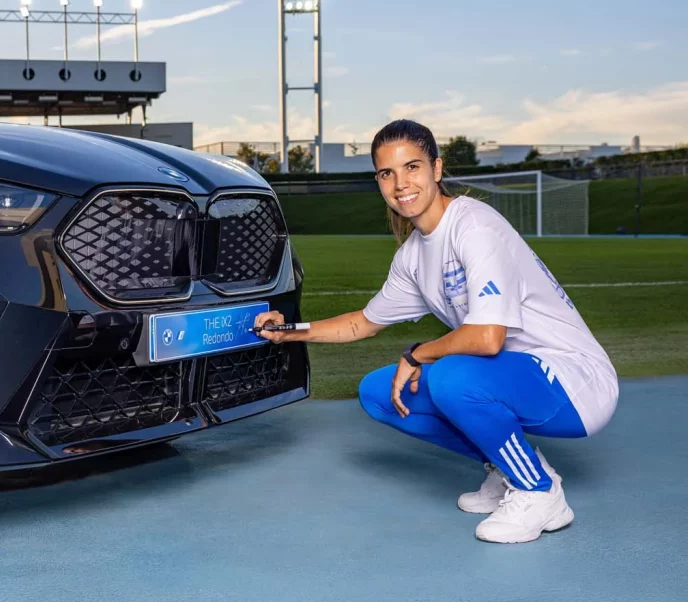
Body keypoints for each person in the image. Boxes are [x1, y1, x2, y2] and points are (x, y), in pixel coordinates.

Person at [254, 119, 619, 544]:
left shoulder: (474, 226)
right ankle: (511, 467)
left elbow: (487, 338)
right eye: (387, 173)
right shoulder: (413, 256)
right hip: (515, 378)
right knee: (379, 393)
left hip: (577, 384)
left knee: (450, 376)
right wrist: (289, 331)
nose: (400, 183)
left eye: (412, 167)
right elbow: (362, 323)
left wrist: (419, 353)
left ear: (437, 169)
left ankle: (540, 493)